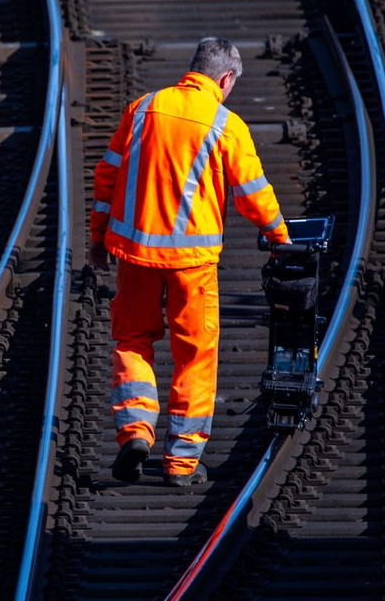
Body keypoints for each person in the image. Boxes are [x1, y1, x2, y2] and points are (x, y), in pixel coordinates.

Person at [88, 37, 289, 487]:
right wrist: (280, 238)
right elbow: (253, 195)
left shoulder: (143, 108)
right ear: (226, 78)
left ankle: (135, 432)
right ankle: (180, 463)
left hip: (135, 254)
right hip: (192, 265)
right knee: (194, 356)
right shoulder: (225, 124)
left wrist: (97, 239)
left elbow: (107, 175)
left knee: (132, 339)